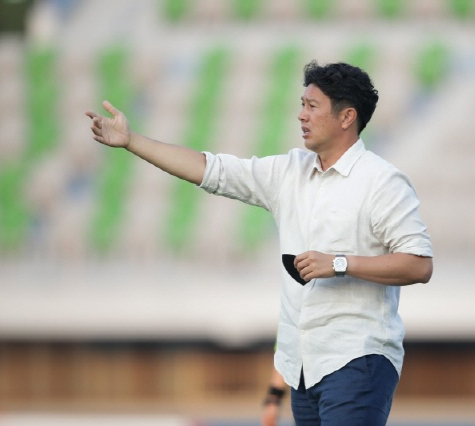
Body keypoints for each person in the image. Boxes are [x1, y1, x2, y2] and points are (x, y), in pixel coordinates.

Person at [86, 60, 433, 426]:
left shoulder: (382, 181)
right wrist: (132, 141)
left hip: (357, 360)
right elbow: (211, 169)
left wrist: (339, 263)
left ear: (347, 117)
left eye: (312, 106)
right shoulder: (289, 171)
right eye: (302, 104)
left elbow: (419, 264)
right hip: (301, 368)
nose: (301, 115)